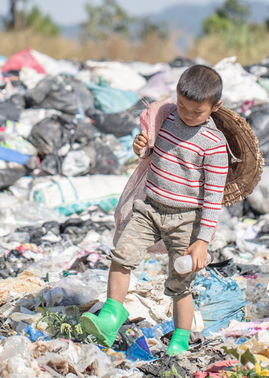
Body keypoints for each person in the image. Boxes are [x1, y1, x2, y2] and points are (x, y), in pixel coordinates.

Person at [80, 64, 229, 356]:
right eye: (183, 106)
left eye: (196, 111)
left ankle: (181, 339)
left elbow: (213, 197)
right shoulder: (165, 117)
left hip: (185, 221)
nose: (186, 114)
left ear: (215, 106)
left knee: (180, 282)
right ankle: (110, 316)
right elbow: (150, 151)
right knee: (122, 255)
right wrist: (140, 146)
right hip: (149, 207)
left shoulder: (214, 145)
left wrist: (202, 241)